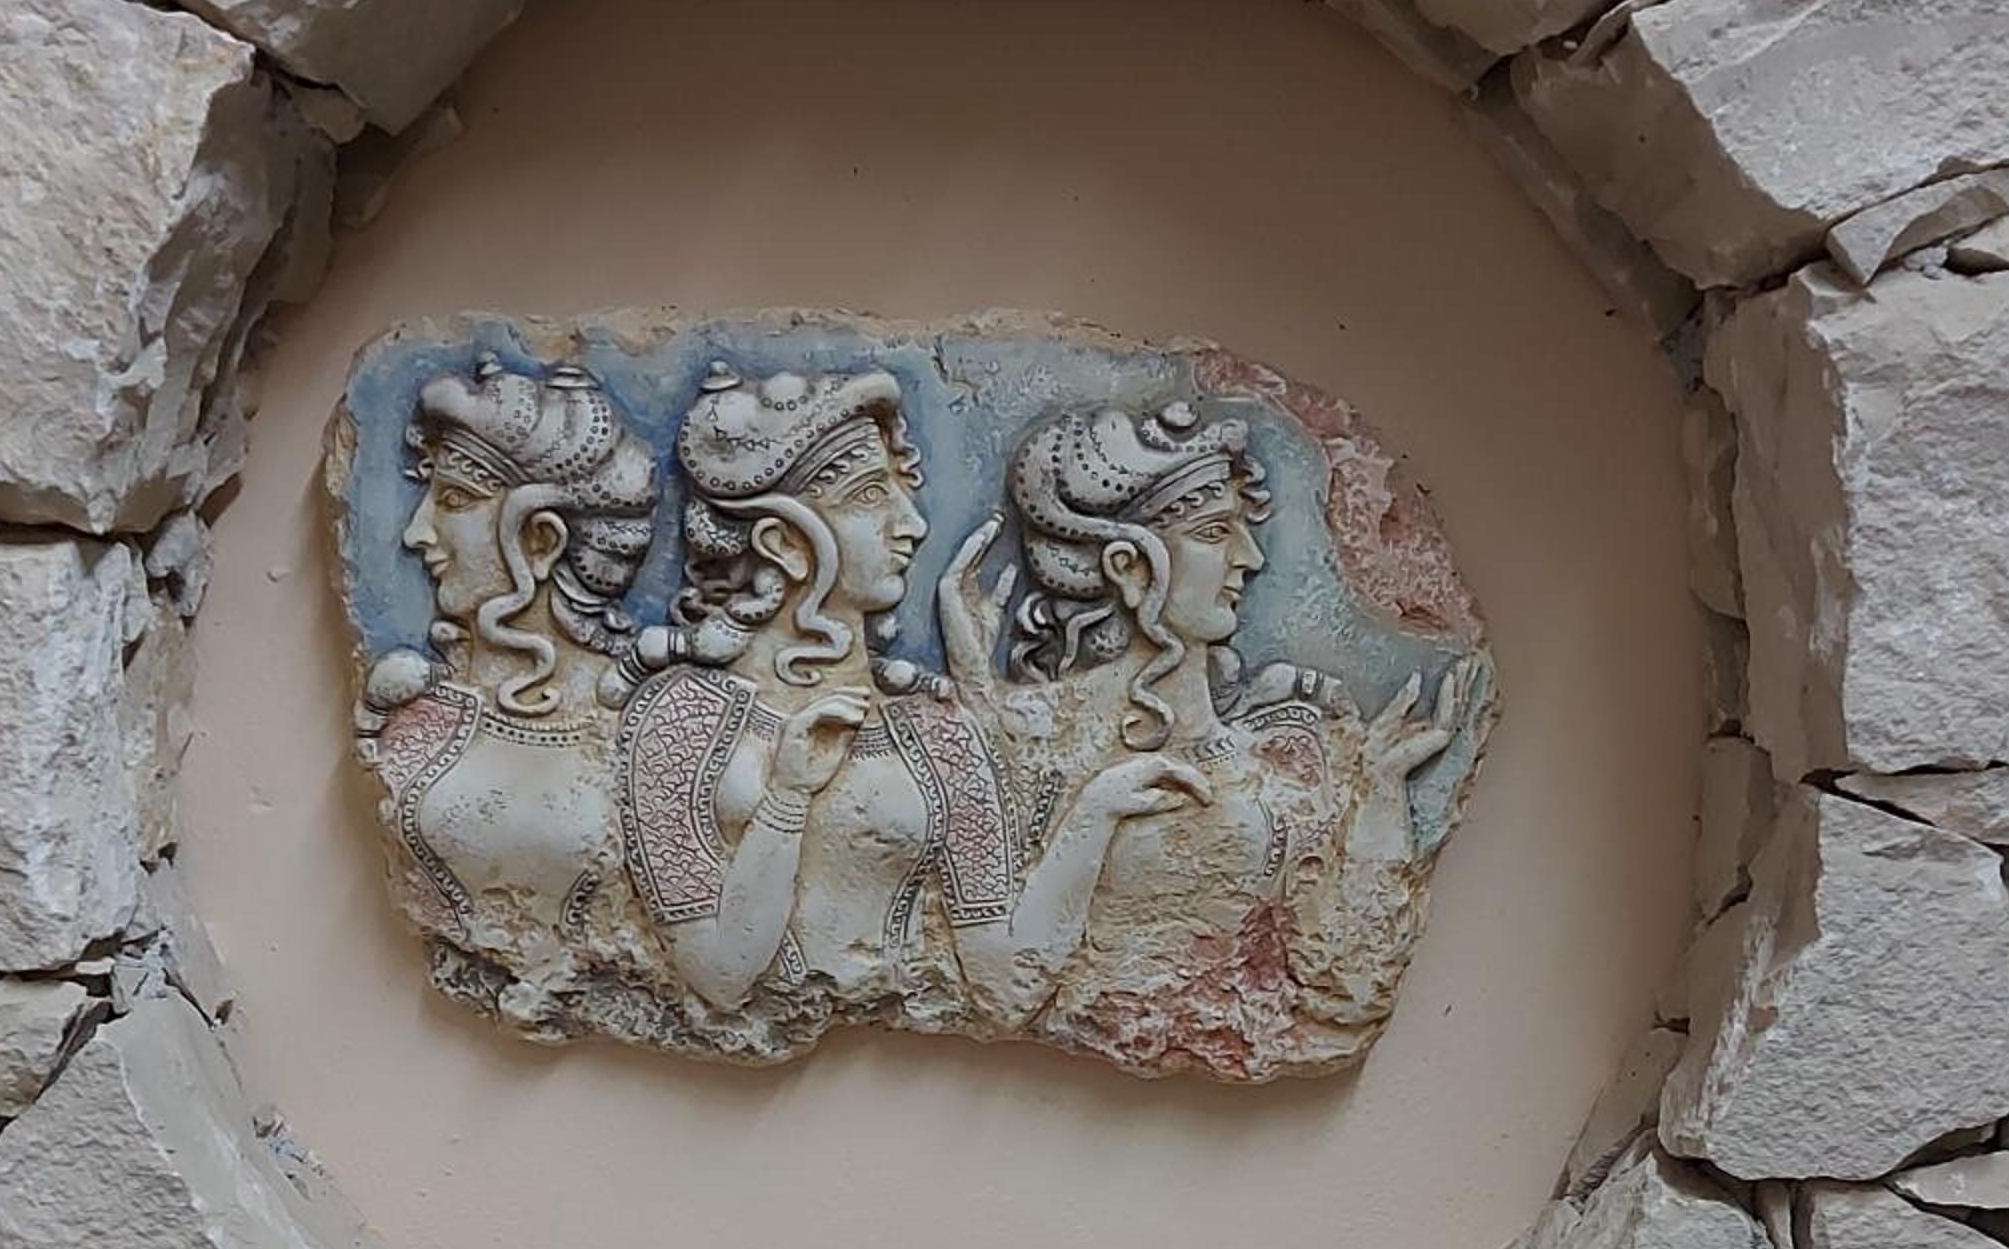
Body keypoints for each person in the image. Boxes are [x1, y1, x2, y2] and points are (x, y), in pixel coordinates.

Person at [619, 361, 1199, 1030]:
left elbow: (1005, 983)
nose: (912, 524)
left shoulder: (934, 729)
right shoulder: (682, 720)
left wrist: (1094, 813)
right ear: (786, 541)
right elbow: (721, 978)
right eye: (871, 495)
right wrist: (786, 798)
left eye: (901, 492)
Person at [941, 395, 1480, 1078]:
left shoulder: (1287, 743)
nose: (1248, 558)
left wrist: (1379, 794)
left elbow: (1351, 991)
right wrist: (1089, 813)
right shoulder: (1022, 742)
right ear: (1131, 567)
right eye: (1214, 531)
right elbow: (1002, 990)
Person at [357, 354, 660, 1004]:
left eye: (454, 501)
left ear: (541, 540)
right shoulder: (418, 714)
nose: (417, 533)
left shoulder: (651, 730)